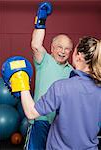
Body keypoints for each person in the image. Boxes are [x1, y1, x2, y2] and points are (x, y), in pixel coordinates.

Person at [6, 36, 101, 150]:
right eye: (60, 47)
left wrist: (21, 82)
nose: (63, 51)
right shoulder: (96, 88)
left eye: (70, 49)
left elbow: (31, 112)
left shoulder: (62, 86)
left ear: (78, 56)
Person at [25, 2, 73, 150]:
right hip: (40, 119)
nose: (63, 51)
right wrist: (41, 19)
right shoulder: (44, 60)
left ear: (71, 52)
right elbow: (36, 45)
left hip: (60, 123)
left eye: (67, 49)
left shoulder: (72, 71)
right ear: (52, 48)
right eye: (60, 47)